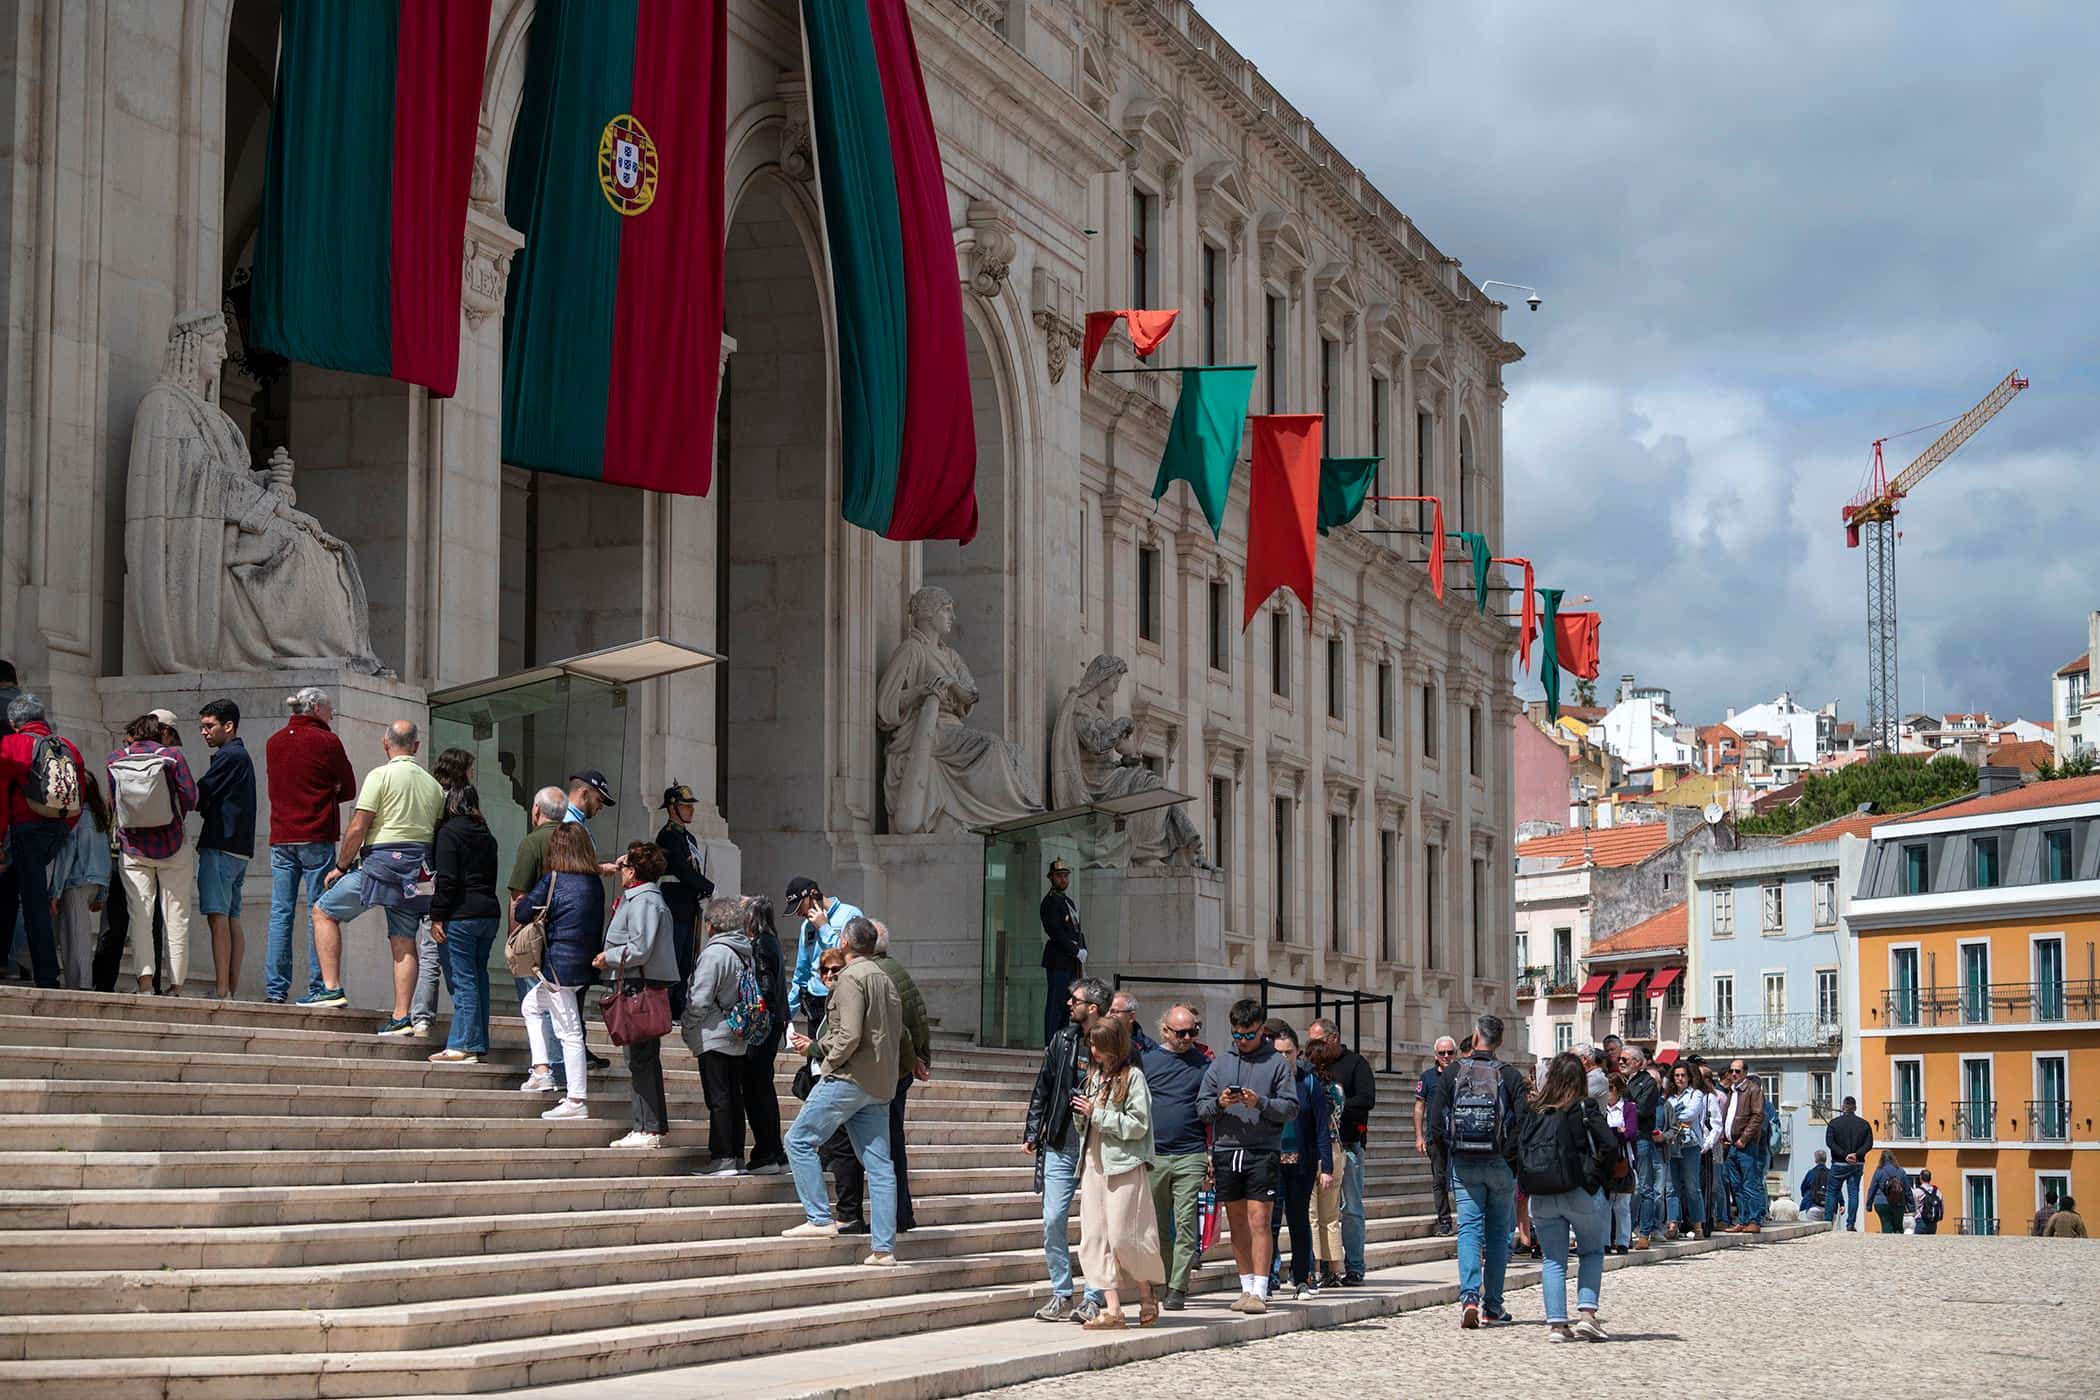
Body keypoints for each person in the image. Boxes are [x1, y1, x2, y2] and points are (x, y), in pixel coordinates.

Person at [782, 917, 905, 1267]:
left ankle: (819, 1218)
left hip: (849, 1078)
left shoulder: (851, 978)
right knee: (880, 1166)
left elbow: (849, 1034)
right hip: (880, 1083)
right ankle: (883, 1249)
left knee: (798, 1140)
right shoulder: (886, 978)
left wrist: (825, 1057)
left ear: (847, 942)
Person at [310, 720, 444, 1028]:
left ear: (386, 743)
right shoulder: (433, 785)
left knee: (323, 911)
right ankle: (401, 1017)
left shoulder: (380, 776)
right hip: (419, 870)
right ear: (417, 746)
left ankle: (331, 989)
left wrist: (341, 866)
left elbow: (359, 826)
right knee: (404, 941)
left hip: (381, 864)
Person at [1198, 998, 1297, 1314]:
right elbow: (1202, 1108)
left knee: (1260, 1221)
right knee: (1237, 1222)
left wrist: (1261, 1103)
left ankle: (1260, 1289)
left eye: (1249, 1035)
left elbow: (1291, 1107)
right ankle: (1245, 1287)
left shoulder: (1277, 1064)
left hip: (1262, 1151)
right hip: (1228, 1150)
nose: (1242, 1041)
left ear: (1262, 1031)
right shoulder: (1220, 1064)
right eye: (1237, 1036)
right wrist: (1222, 1103)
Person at [1432, 1015, 1529, 1328]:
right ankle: (1493, 1305)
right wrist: (1510, 1155)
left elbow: (1435, 1120)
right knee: (1499, 1235)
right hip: (1500, 1162)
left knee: (1469, 1229)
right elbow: (1524, 1120)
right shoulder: (1510, 1076)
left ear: (1474, 1038)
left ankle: (1469, 1297)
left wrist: (1452, 1150)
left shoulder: (1453, 1073)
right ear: (1499, 1042)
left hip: (1464, 1161)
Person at [1025, 975, 1111, 1322]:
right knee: (1052, 1220)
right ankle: (1061, 1291)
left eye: (1074, 1000)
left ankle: (1093, 1295)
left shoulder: (1116, 1044)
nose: (1068, 1004)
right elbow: (1043, 1088)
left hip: (1097, 1147)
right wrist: (1033, 1130)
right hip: (1061, 1141)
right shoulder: (1062, 1040)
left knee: (1095, 1225)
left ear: (1092, 1007)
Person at [264, 687, 357, 1005]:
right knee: (320, 911)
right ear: (316, 708)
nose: (332, 714)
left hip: (282, 835)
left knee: (280, 913)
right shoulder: (327, 741)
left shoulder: (274, 742)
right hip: (315, 833)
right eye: (329, 709)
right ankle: (320, 985)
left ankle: (275, 989)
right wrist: (328, 790)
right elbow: (349, 787)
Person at [1074, 1017, 1165, 1329]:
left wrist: (1096, 1114)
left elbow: (1138, 1125)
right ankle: (1112, 1309)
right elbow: (1088, 1125)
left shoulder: (1133, 1077)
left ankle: (1146, 1294)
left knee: (1125, 1236)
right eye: (1091, 1044)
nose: (1093, 1050)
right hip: (1094, 1164)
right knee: (1096, 1237)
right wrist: (1081, 1114)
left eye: (1098, 1044)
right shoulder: (1094, 1076)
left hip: (1124, 1164)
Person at [840, 919, 929, 1232]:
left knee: (881, 1146)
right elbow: (917, 1015)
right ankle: (898, 1214)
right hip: (897, 1068)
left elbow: (900, 1025)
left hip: (883, 1070)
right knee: (891, 1144)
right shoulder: (895, 970)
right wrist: (921, 1057)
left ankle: (889, 1217)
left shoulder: (874, 975)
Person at [513, 823, 606, 1119]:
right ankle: (541, 1070)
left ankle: (576, 1099)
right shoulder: (594, 883)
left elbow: (522, 912)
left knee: (570, 1032)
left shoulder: (554, 878)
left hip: (558, 967)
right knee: (531, 1006)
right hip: (583, 964)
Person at [1524, 1052, 1616, 1343]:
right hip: (1578, 1190)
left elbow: (1514, 1148)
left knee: (1553, 1259)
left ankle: (1557, 1324)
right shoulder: (1585, 1107)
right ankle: (1587, 1315)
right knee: (1590, 1251)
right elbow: (1610, 1145)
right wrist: (1595, 1176)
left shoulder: (1535, 1109)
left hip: (1541, 1193)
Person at [106, 711, 198, 994]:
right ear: (163, 732)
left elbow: (113, 803)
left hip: (133, 849)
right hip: (172, 845)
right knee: (176, 916)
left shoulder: (115, 759)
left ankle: (145, 984)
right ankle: (176, 986)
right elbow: (191, 798)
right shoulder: (172, 757)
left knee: (141, 917)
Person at [0, 694, 88, 988]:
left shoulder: (12, 744)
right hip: (57, 831)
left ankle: (47, 975)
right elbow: (80, 797)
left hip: (25, 830)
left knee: (35, 902)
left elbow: (0, 798)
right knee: (13, 889)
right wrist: (63, 829)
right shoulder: (68, 747)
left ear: (14, 722)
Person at [596, 841, 677, 1149]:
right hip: (638, 984)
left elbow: (640, 948)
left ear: (632, 871)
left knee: (640, 1059)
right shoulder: (644, 897)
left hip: (637, 986)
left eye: (625, 866)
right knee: (641, 1058)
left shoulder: (643, 900)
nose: (620, 870)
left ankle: (648, 1128)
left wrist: (609, 957)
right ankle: (649, 1126)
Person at [508, 787, 584, 1087]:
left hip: (539, 937)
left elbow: (519, 896)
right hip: (569, 938)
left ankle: (548, 1070)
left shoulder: (533, 842)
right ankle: (555, 1070)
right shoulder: (575, 843)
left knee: (540, 1005)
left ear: (536, 811)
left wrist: (514, 937)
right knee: (557, 1010)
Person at [404, 747, 478, 1038]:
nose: (473, 774)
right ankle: (433, 1016)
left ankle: (421, 1016)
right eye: (470, 768)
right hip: (446, 884)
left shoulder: (429, 793)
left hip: (424, 878)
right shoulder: (458, 802)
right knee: (441, 952)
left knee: (431, 949)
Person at [1141, 1001, 1210, 1309]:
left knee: (1185, 1223)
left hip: (1190, 1153)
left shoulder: (1204, 1063)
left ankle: (1178, 1288)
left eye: (1192, 1032)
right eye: (1181, 1033)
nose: (1187, 1038)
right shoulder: (1147, 1062)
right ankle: (1167, 1279)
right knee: (1157, 1225)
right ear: (1165, 1031)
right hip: (1155, 1154)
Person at [425, 780, 500, 1064]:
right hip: (488, 913)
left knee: (463, 979)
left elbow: (447, 880)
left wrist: (437, 916)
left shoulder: (448, 833)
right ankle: (475, 1041)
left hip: (460, 915)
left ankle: (464, 1044)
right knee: (479, 978)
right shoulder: (487, 835)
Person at [188, 700, 255, 998]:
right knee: (231, 918)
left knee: (218, 918)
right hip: (239, 848)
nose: (204, 732)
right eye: (202, 727)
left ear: (228, 726)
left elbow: (199, 794)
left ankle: (222, 989)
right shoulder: (240, 755)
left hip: (220, 845)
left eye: (209, 726)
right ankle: (229, 988)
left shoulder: (229, 756)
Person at [683, 896, 755, 1175]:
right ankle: (735, 1155)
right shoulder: (743, 951)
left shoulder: (715, 954)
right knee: (733, 1097)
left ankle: (722, 1156)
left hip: (714, 1032)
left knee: (719, 1098)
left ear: (711, 924)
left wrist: (688, 1027)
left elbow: (699, 998)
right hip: (737, 1031)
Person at [1305, 1017, 1376, 1283]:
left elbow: (1367, 1099)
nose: (1314, 1047)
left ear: (1333, 1039)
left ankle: (1355, 1265)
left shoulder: (1355, 1064)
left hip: (1347, 1145)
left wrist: (1336, 1108)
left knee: (1351, 1208)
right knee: (1319, 1213)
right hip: (1317, 1147)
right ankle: (1323, 1265)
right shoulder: (1309, 1068)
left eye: (1318, 1041)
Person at [1267, 1023, 1331, 1299]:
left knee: (1298, 1220)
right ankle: (1267, 1277)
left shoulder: (1309, 1082)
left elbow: (1320, 1126)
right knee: (1269, 1222)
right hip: (1271, 1161)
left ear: (1297, 1052)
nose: (1283, 1057)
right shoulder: (1265, 1081)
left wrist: (1326, 1166)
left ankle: (1302, 1276)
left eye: (1288, 1052)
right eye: (1278, 1052)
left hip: (1301, 1163)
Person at [736, 894, 790, 1174]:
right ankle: (775, 1151)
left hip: (763, 1024)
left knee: (756, 1088)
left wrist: (755, 1013)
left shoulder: (760, 945)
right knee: (763, 1086)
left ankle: (766, 1150)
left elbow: (766, 986)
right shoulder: (773, 942)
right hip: (774, 1020)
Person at [654, 783, 714, 1018]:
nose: (691, 810)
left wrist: (701, 890)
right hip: (674, 903)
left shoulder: (689, 838)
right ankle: (669, 1006)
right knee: (674, 956)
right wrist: (708, 886)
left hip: (689, 904)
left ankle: (679, 1004)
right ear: (672, 808)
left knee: (687, 959)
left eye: (690, 806)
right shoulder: (667, 836)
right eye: (685, 806)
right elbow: (681, 869)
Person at [49, 777, 113, 989]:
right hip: (95, 882)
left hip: (76, 881)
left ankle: (80, 983)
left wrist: (55, 892)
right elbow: (105, 856)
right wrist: (103, 893)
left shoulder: (75, 819)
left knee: (74, 936)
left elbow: (66, 857)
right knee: (78, 933)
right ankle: (79, 981)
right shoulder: (99, 818)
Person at [785, 876, 862, 1034]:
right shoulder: (806, 926)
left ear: (813, 895)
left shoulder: (850, 914)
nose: (798, 913)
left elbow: (852, 956)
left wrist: (823, 927)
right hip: (815, 1003)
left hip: (843, 999)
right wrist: (787, 1012)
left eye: (800, 906)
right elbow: (802, 971)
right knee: (814, 1056)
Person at [1306, 1037, 1348, 1287]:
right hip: (1335, 1149)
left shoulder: (1311, 1088)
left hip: (1314, 1149)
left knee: (1311, 1213)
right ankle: (1335, 1267)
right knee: (1331, 1215)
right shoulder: (1338, 1089)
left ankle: (1316, 1267)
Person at [1414, 1035, 1460, 1235]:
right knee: (1439, 1180)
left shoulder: (1462, 1075)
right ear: (1436, 1055)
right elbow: (1419, 1107)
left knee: (1461, 1181)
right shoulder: (1427, 1078)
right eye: (1442, 1053)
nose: (1446, 1056)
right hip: (1436, 1137)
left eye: (1450, 1052)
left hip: (1460, 1136)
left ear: (1456, 1054)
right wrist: (1419, 1136)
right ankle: (1444, 1221)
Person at [1618, 1045, 1662, 1248]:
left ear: (1637, 1062)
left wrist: (1626, 1107)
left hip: (1640, 1138)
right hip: (1621, 1138)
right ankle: (1624, 1232)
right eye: (1619, 1059)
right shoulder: (1618, 1081)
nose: (1620, 1062)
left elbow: (1641, 1110)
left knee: (1645, 1187)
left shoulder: (1647, 1083)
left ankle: (1644, 1232)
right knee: (1623, 1188)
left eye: (1625, 1059)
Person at [1719, 1059, 1768, 1232]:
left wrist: (1744, 1139)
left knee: (1750, 1183)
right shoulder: (1733, 1091)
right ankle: (1743, 1218)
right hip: (1731, 1144)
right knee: (1735, 1184)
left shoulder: (1753, 1090)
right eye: (1731, 1071)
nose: (1733, 1074)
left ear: (1745, 1073)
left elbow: (1757, 1116)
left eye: (1737, 1071)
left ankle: (1754, 1220)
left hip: (1744, 1145)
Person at [1039, 858, 1085, 1041]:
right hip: (1058, 959)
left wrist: (1083, 948)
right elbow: (1056, 932)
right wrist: (1075, 951)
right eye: (1059, 876)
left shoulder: (1068, 902)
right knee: (1056, 1003)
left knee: (1068, 1005)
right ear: (1051, 878)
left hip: (1070, 961)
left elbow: (1076, 930)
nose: (1063, 880)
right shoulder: (1050, 903)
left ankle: (1062, 1041)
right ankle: (1050, 1042)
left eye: (1066, 876)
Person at [1666, 1061, 1709, 1239]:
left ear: (1689, 1077)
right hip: (1672, 1144)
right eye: (1677, 1076)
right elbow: (1666, 1116)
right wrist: (1675, 1116)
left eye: (1683, 1075)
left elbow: (1691, 1114)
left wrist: (1673, 1115)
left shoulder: (1696, 1094)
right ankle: (1673, 1223)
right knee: (1672, 1187)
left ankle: (1698, 1224)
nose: (1680, 1079)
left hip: (1690, 1144)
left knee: (1692, 1187)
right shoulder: (1669, 1097)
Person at [1823, 1095, 1873, 1232]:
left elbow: (1830, 1143)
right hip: (1857, 1164)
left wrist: (1845, 1156)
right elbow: (1869, 1144)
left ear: (1842, 1107)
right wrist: (1856, 1155)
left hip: (1839, 1163)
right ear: (1855, 1108)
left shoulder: (1834, 1123)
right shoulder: (1864, 1124)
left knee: (1832, 1192)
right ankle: (1850, 1224)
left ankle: (1827, 1222)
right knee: (1853, 1192)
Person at [1602, 1074, 1638, 1253]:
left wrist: (1613, 1132)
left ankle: (1623, 1241)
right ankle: (1605, 1242)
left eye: (1609, 1088)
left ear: (1617, 1090)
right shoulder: (1601, 1108)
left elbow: (1630, 1133)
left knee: (1622, 1204)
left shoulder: (1628, 1108)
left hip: (1623, 1159)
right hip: (1604, 1161)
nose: (1607, 1093)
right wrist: (1616, 1131)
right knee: (1604, 1204)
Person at [1867, 1149, 1911, 1234]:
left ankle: (1887, 1244)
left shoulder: (1879, 1171)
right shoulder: (1901, 1171)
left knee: (1886, 1225)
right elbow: (1907, 1190)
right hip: (1898, 1202)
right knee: (1898, 1227)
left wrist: (1869, 1205)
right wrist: (1911, 1206)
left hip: (1881, 1203)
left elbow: (1872, 1188)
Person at [1108, 989, 1154, 1053]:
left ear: (1131, 1016)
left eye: (1114, 1011)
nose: (1107, 1015)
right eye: (1106, 1010)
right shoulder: (1096, 1041)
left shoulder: (1149, 1048)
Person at [1800, 1150, 1831, 1222]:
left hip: (1812, 1206)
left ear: (1815, 1160)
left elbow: (1803, 1187)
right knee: (1829, 1232)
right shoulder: (1831, 1174)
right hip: (1829, 1208)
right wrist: (1842, 1203)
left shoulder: (1811, 1173)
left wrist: (1806, 1197)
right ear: (1826, 1159)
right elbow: (1837, 1189)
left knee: (1813, 1232)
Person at [1914, 1169, 1944, 1235]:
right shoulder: (1937, 1191)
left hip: (1921, 1222)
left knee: (1917, 1243)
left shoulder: (1917, 1191)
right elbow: (1941, 1207)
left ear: (1920, 1178)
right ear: (1930, 1178)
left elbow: (1915, 1207)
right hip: (1933, 1224)